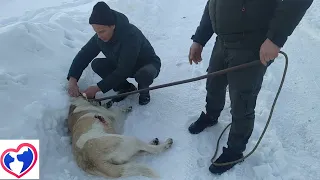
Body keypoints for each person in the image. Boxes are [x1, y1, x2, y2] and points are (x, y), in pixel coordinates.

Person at [188, 0, 313, 175]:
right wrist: (199, 39)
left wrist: (275, 39)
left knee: (242, 101)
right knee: (214, 84)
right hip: (222, 41)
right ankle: (211, 115)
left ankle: (235, 150)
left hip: (250, 46)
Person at [67, 1, 161, 105]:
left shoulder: (131, 36)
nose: (99, 36)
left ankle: (143, 91)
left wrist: (97, 88)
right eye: (96, 32)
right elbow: (84, 54)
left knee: (143, 75)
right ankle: (126, 88)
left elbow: (124, 69)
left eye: (102, 31)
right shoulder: (100, 37)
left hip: (146, 65)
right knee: (97, 64)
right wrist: (73, 79)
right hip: (122, 63)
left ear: (112, 26)